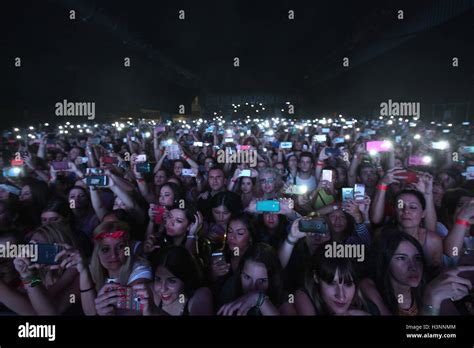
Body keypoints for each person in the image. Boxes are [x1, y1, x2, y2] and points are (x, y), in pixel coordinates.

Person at [360, 229, 474, 316]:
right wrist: (430, 302)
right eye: (401, 258)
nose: (413, 266)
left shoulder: (430, 284)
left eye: (417, 258)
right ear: (385, 262)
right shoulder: (369, 287)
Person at [294, 242, 372, 315]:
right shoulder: (303, 297)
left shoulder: (367, 305)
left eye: (348, 284)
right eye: (331, 283)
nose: (341, 296)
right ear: (316, 277)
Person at [218, 243, 295, 315]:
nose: (252, 288)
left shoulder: (282, 298)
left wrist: (260, 299)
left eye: (261, 281)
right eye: (247, 277)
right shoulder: (230, 288)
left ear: (272, 280)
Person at [133, 246, 213, 315]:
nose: (163, 289)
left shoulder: (201, 295)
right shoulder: (151, 292)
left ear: (186, 279)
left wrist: (154, 311)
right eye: (158, 279)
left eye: (171, 281)